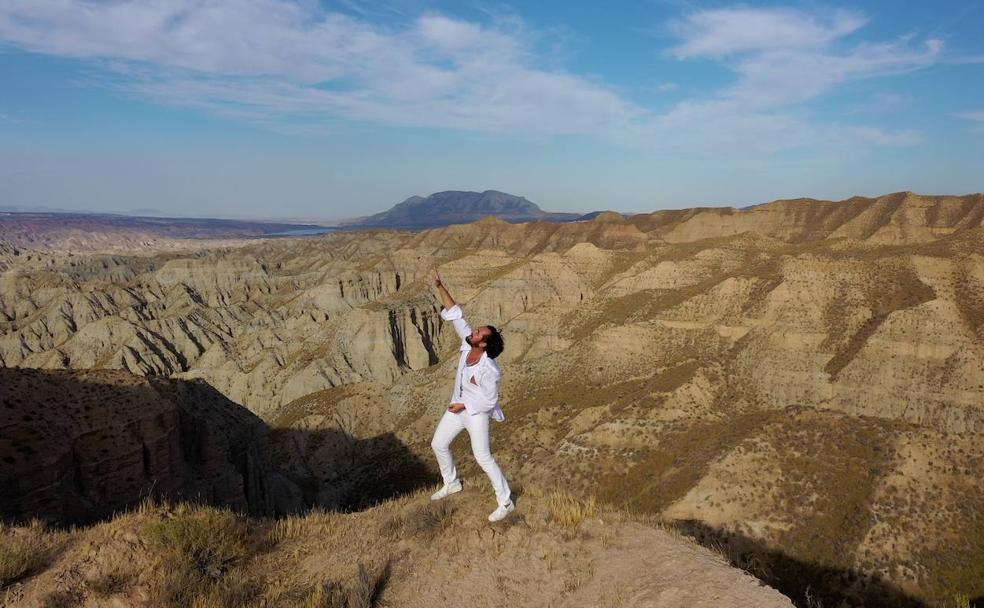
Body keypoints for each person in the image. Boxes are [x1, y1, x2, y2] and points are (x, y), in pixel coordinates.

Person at [429, 269, 514, 522]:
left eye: (477, 333)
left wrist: (463, 405)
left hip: (476, 414)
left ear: (483, 343)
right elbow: (456, 314)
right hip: (456, 407)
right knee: (438, 444)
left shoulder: (490, 369)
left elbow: (489, 401)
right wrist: (440, 285)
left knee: (483, 458)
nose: (473, 332)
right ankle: (451, 483)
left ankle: (505, 501)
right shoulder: (468, 345)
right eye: (475, 330)